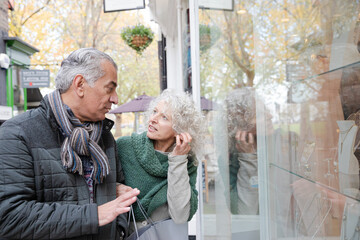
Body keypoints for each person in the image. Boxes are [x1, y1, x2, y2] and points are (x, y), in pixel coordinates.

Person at [0, 48, 140, 240]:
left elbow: (116, 202)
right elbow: (9, 218)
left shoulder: (105, 137)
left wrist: (119, 228)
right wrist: (95, 215)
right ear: (80, 84)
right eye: (110, 88)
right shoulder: (17, 133)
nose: (115, 99)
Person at [116, 89, 206, 235]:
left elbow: (180, 215)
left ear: (180, 129)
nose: (153, 119)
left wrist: (178, 160)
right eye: (154, 111)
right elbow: (101, 191)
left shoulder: (187, 162)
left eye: (164, 117)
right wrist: (116, 187)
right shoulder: (125, 147)